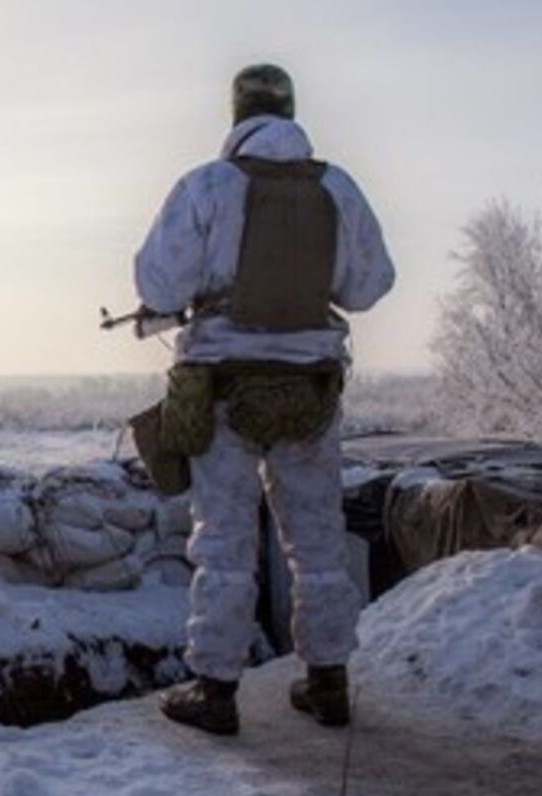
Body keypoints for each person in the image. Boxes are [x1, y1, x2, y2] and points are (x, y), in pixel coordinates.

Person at [135, 64, 394, 736]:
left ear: (237, 115)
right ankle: (328, 681)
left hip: (224, 387)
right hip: (311, 390)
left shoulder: (207, 185)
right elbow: (369, 285)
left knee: (222, 541)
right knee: (317, 539)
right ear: (291, 112)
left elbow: (158, 283)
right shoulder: (337, 187)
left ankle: (215, 690)